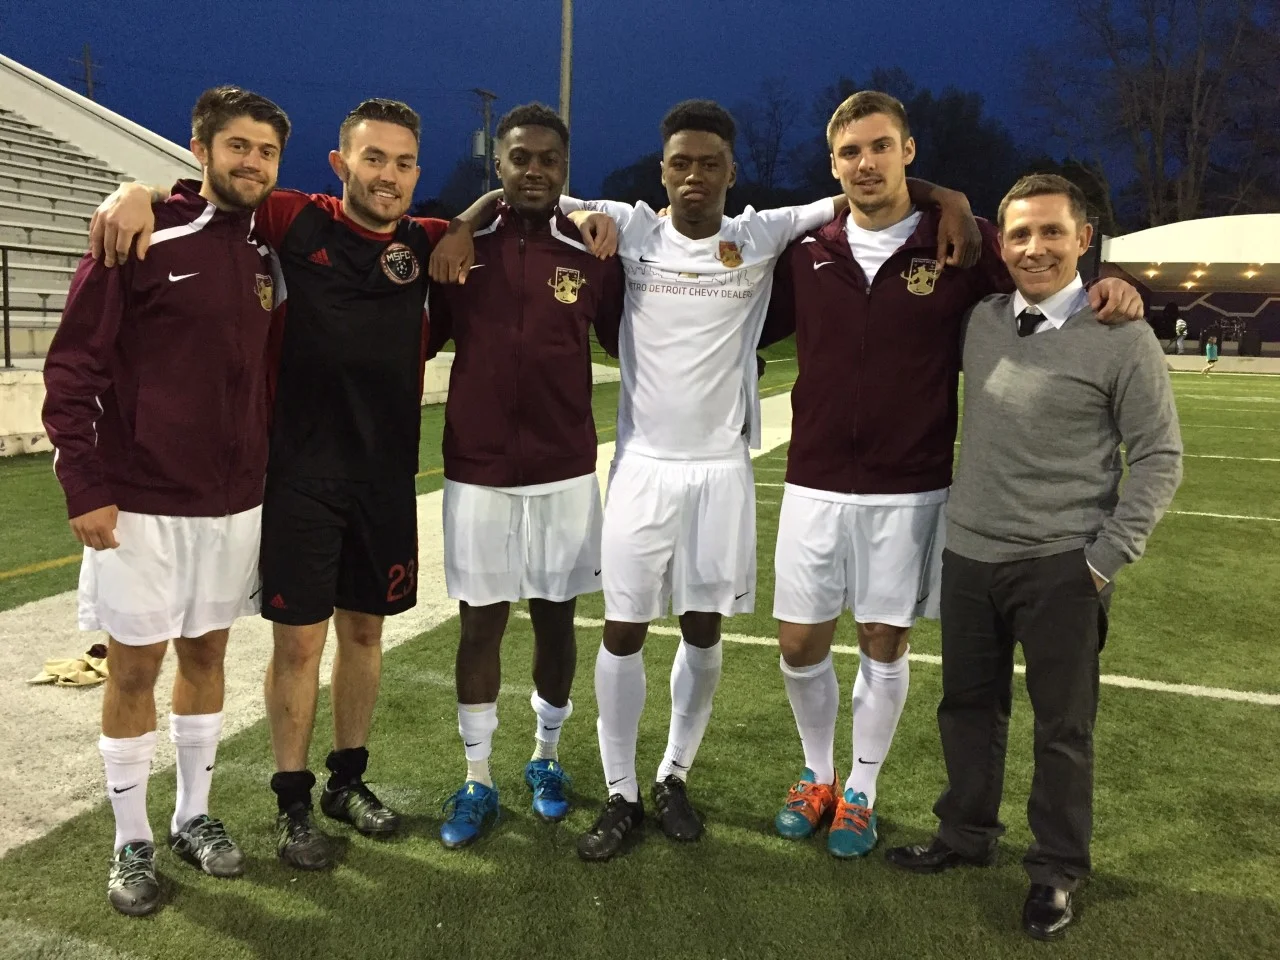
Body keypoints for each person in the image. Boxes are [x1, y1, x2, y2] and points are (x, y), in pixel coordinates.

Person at [433, 98, 980, 861]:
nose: (694, 176)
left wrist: (950, 198)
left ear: (731, 172)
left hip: (723, 472)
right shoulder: (629, 227)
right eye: (680, 163)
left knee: (702, 628)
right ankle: (620, 791)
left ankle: (672, 775)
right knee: (621, 630)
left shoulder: (760, 235)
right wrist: (464, 218)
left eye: (710, 164)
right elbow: (528, 189)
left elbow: (874, 185)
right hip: (642, 470)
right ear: (662, 173)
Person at [92, 98, 618, 870]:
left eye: (405, 163)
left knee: (365, 636)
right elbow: (215, 189)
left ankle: (347, 782)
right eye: (375, 159)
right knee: (299, 644)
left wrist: (507, 216)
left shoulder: (430, 241)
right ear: (341, 165)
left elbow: (517, 199)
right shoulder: (293, 220)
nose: (391, 176)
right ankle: (292, 800)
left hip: (385, 474)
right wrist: (137, 192)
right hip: (299, 473)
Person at [759, 92, 1145, 859]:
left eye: (879, 146)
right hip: (814, 480)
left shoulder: (963, 244)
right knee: (799, 642)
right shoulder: (807, 249)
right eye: (848, 153)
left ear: (909, 150)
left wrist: (1119, 282)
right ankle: (816, 773)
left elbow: (1047, 269)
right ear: (833, 166)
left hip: (913, 484)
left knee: (882, 638)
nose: (865, 163)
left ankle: (860, 790)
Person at [884, 174, 1182, 941]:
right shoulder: (983, 318)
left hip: (1063, 564)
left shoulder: (1123, 335)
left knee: (1063, 728)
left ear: (1086, 240)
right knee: (967, 709)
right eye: (1020, 234)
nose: (1034, 248)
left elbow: (1158, 456)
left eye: (1052, 232)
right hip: (972, 552)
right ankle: (965, 834)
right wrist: (941, 195)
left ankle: (1055, 871)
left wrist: (1104, 557)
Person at [43, 86, 290, 915]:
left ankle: (192, 815)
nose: (251, 162)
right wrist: (85, 481)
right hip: (141, 503)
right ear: (201, 149)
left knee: (209, 657)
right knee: (136, 667)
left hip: (232, 503)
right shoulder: (142, 235)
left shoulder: (265, 257)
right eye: (238, 147)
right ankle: (130, 842)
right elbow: (74, 365)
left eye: (265, 151)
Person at [425, 103, 625, 847]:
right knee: (481, 621)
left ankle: (545, 758)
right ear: (498, 166)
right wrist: (454, 225)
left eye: (548, 159)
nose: (533, 169)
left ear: (564, 171)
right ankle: (476, 776)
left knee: (555, 616)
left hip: (565, 467)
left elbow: (632, 339)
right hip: (477, 470)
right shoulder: (458, 250)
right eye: (519, 158)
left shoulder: (593, 252)